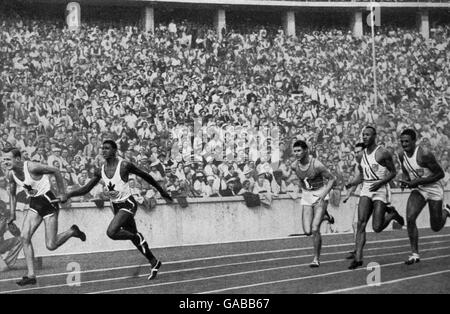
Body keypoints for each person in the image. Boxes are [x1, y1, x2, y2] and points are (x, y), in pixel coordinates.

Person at [61, 140, 174, 280]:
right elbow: (86, 189)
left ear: (115, 150)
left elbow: (146, 176)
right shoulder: (100, 169)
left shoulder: (124, 165)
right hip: (115, 206)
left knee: (112, 232)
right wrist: (69, 194)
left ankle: (137, 239)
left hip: (128, 204)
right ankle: (154, 262)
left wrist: (162, 191)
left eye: (107, 148)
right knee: (133, 235)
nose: (103, 151)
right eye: (102, 148)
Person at [3, 147, 85, 286]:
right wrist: (12, 214)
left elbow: (56, 171)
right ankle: (31, 275)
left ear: (17, 159)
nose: (5, 162)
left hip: (48, 202)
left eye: (8, 159)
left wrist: (62, 193)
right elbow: (11, 193)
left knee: (51, 245)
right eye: (3, 159)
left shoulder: (32, 167)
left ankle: (72, 231)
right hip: (35, 203)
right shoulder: (11, 174)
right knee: (24, 237)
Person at [345, 126, 404, 270]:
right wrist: (352, 182)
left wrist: (381, 182)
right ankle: (358, 258)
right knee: (361, 223)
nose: (364, 137)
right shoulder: (361, 155)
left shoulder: (383, 152)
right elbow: (362, 175)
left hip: (380, 189)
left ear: (374, 136)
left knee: (377, 227)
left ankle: (391, 214)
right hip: (366, 188)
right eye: (363, 135)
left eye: (368, 135)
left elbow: (393, 172)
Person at [398, 129, 450, 265]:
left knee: (436, 226)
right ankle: (414, 254)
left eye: (407, 141)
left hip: (433, 189)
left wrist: (418, 181)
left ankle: (446, 211)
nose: (404, 144)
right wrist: (405, 180)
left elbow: (440, 174)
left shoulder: (424, 154)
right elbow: (405, 171)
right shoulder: (401, 155)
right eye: (402, 141)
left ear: (414, 142)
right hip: (419, 190)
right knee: (410, 217)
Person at [291, 140, 335, 267]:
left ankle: (316, 258)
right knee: (307, 231)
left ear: (305, 150)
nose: (297, 153)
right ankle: (325, 216)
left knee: (315, 229)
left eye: (299, 150)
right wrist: (303, 189)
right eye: (295, 151)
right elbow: (301, 179)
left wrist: (324, 193)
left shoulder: (317, 165)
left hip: (320, 194)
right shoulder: (294, 166)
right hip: (306, 196)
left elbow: (332, 179)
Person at [343, 143, 364, 260]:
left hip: (374, 195)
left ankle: (391, 215)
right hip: (363, 196)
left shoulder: (371, 161)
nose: (356, 154)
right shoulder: (357, 165)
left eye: (358, 152)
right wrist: (348, 194)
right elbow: (357, 181)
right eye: (355, 152)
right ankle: (357, 250)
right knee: (356, 224)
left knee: (378, 226)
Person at [0, 199, 22, 272]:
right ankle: (4, 265)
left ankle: (7, 263)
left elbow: (17, 234)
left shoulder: (4, 219)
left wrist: (10, 223)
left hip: (1, 245)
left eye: (2, 209)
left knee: (21, 239)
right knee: (3, 269)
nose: (2, 212)